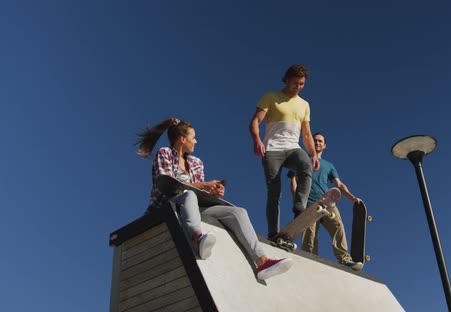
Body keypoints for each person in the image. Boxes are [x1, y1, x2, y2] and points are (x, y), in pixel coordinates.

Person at [136, 117, 293, 280]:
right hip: (166, 205)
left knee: (238, 212)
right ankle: (197, 238)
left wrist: (213, 192)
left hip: (194, 206)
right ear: (183, 139)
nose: (196, 142)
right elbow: (167, 184)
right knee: (188, 195)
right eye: (193, 137)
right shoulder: (165, 153)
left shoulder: (197, 163)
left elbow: (199, 191)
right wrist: (204, 185)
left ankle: (263, 262)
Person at [249, 64, 320, 244]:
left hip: (293, 148)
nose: (298, 87)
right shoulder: (271, 97)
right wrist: (257, 140)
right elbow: (255, 121)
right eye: (295, 83)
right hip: (272, 149)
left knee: (305, 165)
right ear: (287, 80)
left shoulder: (304, 105)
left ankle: (299, 208)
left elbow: (306, 133)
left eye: (302, 84)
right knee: (274, 192)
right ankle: (273, 232)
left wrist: (313, 153)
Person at [289, 132, 363, 271]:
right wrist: (297, 202)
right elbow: (294, 180)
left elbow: (339, 184)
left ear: (325, 145)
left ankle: (345, 259)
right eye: (315, 141)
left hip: (327, 201)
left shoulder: (329, 166)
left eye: (320, 141)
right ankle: (310, 262)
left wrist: (352, 198)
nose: (317, 143)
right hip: (309, 205)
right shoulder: (302, 159)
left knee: (338, 227)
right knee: (309, 238)